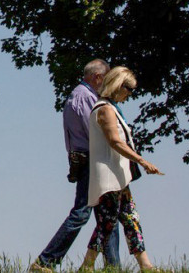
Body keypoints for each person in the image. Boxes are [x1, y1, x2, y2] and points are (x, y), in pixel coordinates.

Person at [30, 60, 119, 272]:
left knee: (108, 215)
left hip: (88, 159)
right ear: (97, 77)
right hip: (93, 159)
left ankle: (113, 267)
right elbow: (96, 132)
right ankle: (45, 261)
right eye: (106, 79)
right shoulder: (86, 97)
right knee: (83, 213)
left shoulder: (78, 95)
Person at [81, 66, 163, 271]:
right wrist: (142, 161)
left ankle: (146, 266)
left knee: (131, 219)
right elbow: (115, 142)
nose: (130, 94)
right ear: (118, 85)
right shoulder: (105, 109)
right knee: (107, 223)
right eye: (129, 89)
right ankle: (86, 266)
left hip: (118, 176)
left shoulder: (112, 108)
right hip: (108, 177)